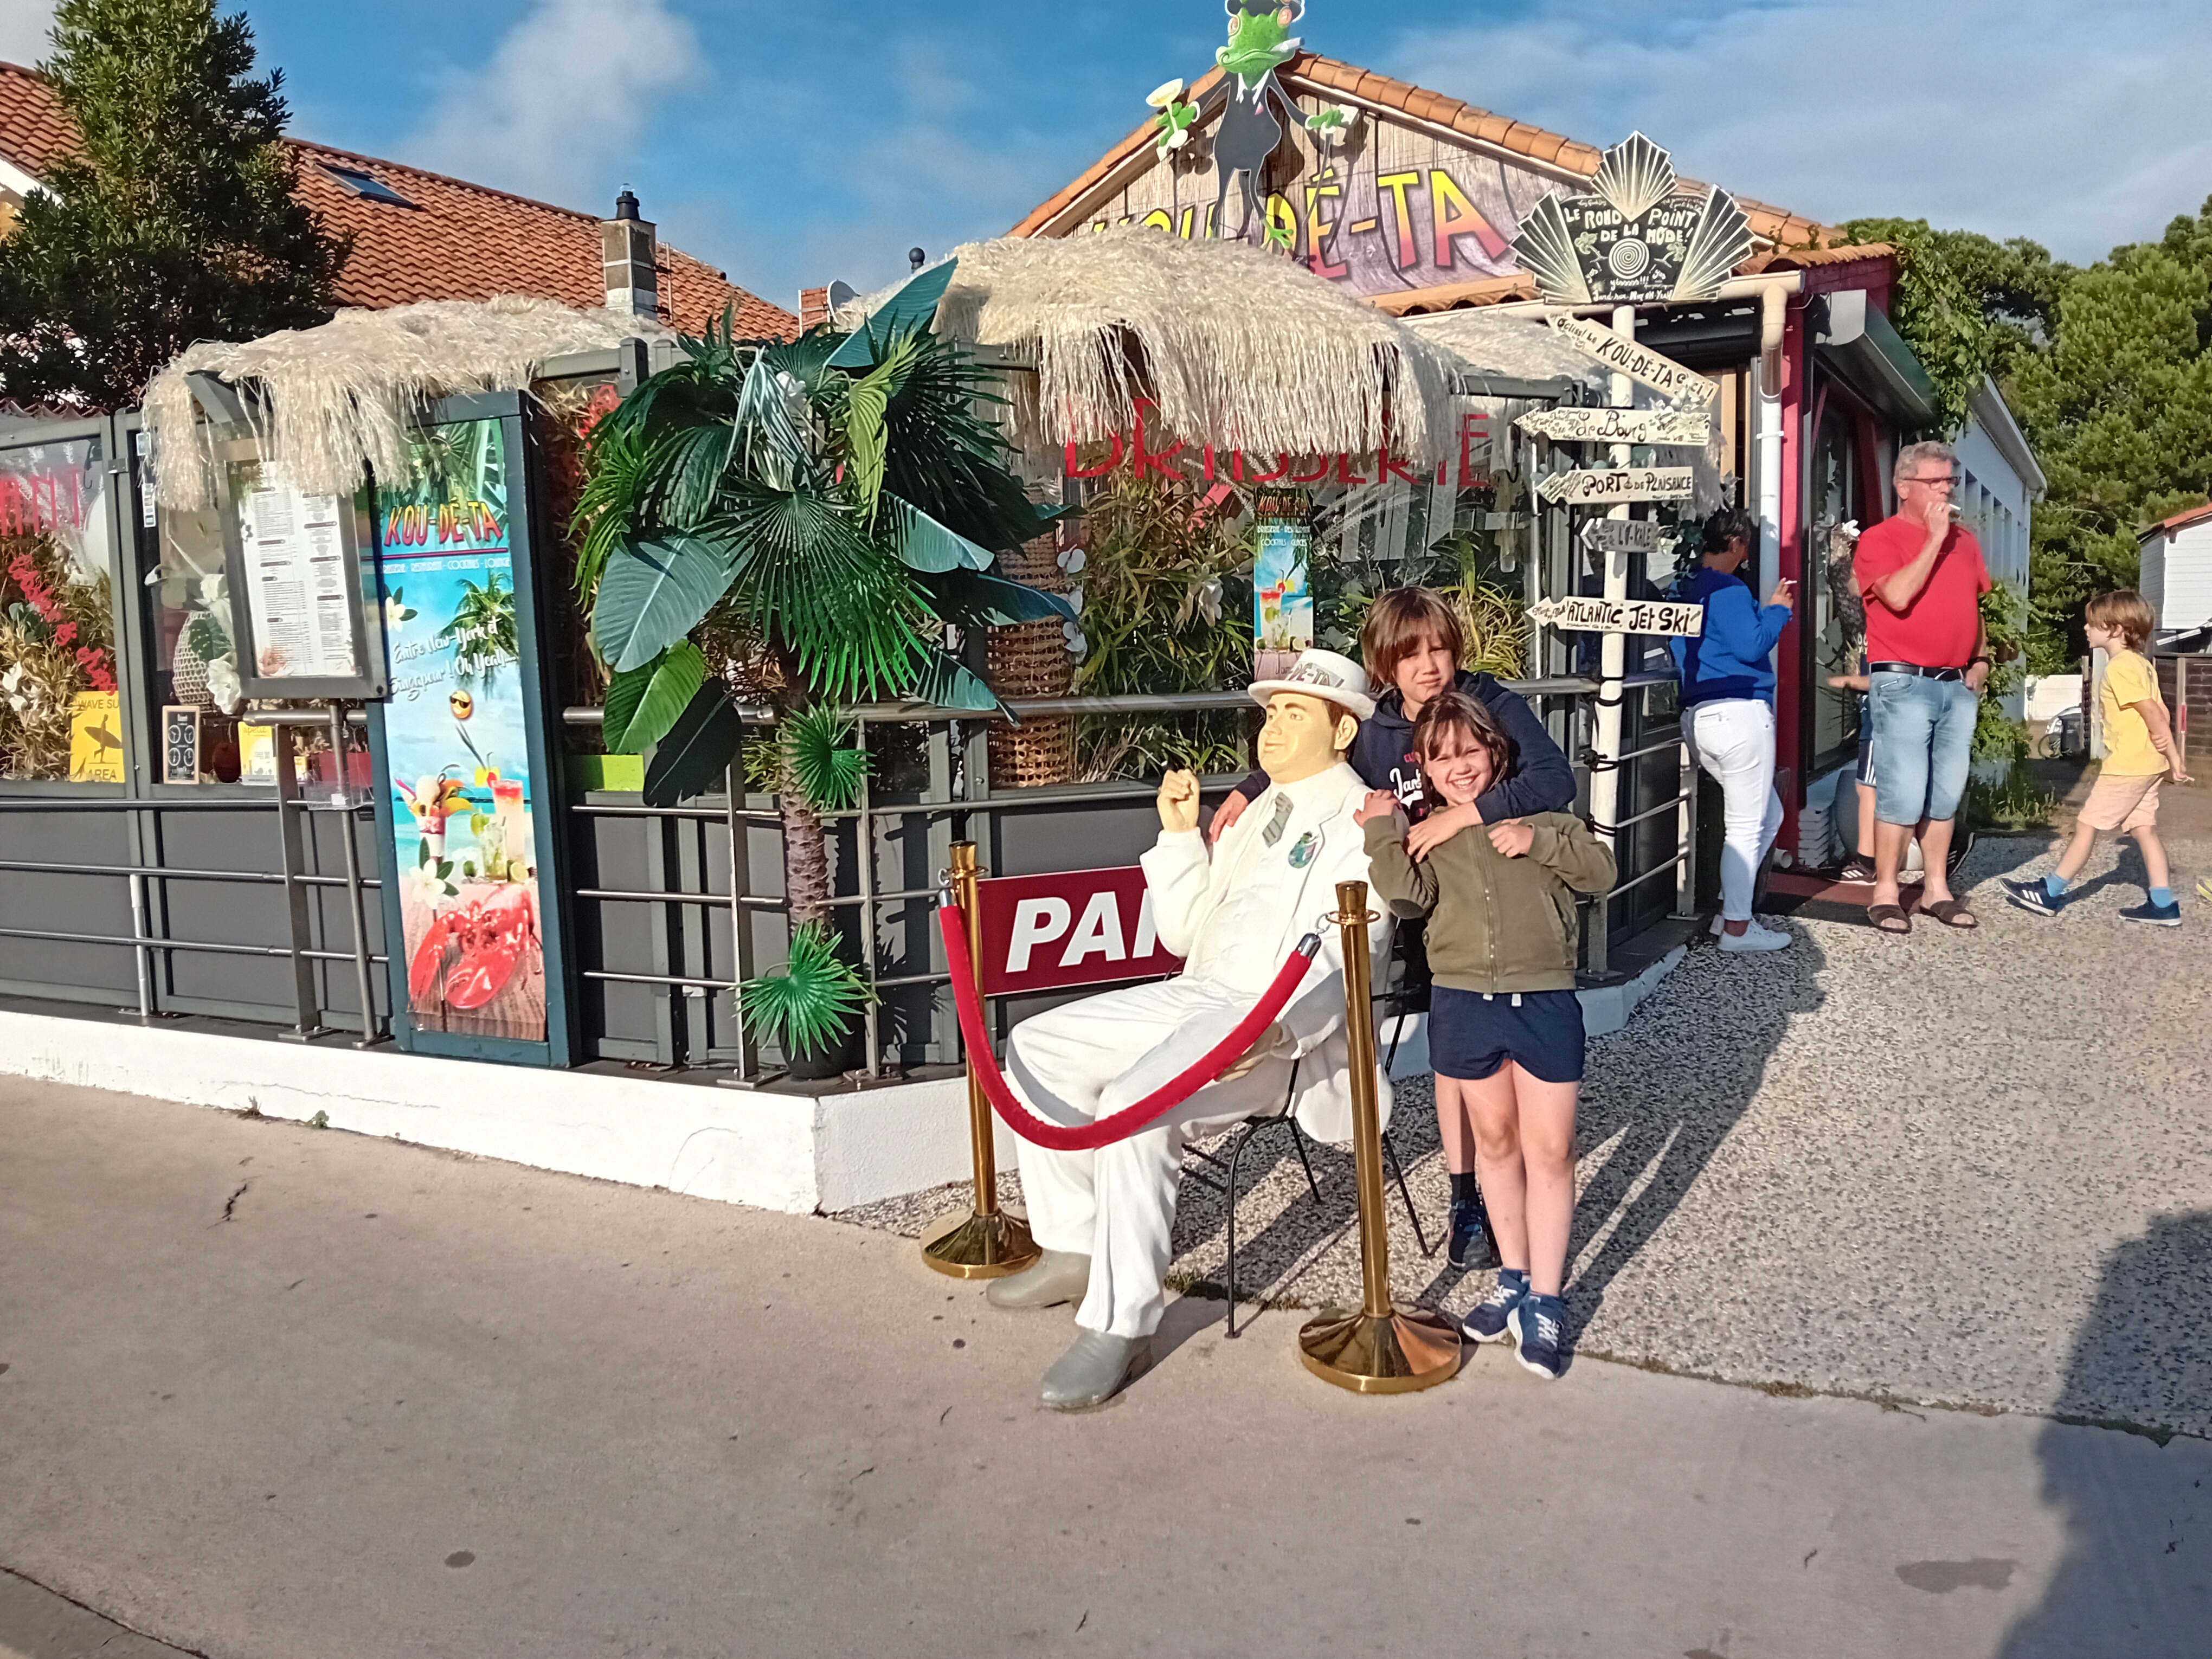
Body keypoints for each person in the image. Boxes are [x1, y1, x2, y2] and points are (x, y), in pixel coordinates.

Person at [985, 648, 1391, 1410]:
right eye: (1271, 712)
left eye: (1296, 713)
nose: (1273, 728)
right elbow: (1182, 933)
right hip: (1198, 996)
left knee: (1133, 1103)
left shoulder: (1361, 821)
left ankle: (1120, 1323)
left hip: (1273, 1036)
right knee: (1037, 1048)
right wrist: (1178, 838)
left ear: (1343, 733)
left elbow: (1351, 956)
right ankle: (1074, 1243)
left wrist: (1273, 1031)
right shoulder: (1253, 811)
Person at [1213, 588, 1577, 1270]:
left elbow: (1555, 780)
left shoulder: (1489, 704)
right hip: (1418, 915)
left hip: (1492, 920)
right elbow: (1314, 765)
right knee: (1452, 1059)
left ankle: (1511, 1189)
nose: (1429, 666)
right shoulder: (1375, 730)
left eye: (1439, 649)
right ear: (1386, 663)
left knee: (1502, 1074)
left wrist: (1460, 816)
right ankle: (1466, 1194)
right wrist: (1249, 787)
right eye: (1410, 655)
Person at [1358, 690, 1615, 1380]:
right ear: (1425, 768)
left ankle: (1548, 1299)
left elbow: (1601, 873)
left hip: (1543, 1002)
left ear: (1495, 751)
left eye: (1471, 751)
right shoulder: (1429, 834)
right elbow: (1407, 897)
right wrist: (1382, 832)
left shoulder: (1543, 815)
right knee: (1495, 1145)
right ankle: (1513, 1278)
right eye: (1443, 759)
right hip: (1464, 1004)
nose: (1460, 767)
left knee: (1552, 1150)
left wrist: (1540, 842)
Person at [1853, 441, 1993, 935]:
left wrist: (1981, 658)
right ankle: (1886, 893)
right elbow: (1896, 595)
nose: (1946, 490)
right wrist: (1934, 540)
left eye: (1950, 481)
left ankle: (1936, 889)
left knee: (1946, 792)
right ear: (1904, 486)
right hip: (1903, 681)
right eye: (1935, 482)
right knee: (1903, 791)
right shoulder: (1880, 539)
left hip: (1956, 684)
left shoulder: (1966, 542)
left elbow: (1972, 606)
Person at [2001, 591, 2192, 926]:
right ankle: (2164, 905)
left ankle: (2050, 893)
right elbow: (2163, 711)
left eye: (2093, 623)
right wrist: (2170, 758)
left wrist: (2176, 758)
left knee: (2087, 825)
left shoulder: (2120, 667)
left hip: (2128, 766)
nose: (2086, 629)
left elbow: (2152, 714)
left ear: (2116, 629)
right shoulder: (2143, 664)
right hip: (2149, 764)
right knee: (2144, 829)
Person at [1671, 506, 1796, 950]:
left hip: (1699, 717)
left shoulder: (1685, 588)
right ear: (1739, 544)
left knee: (1768, 815)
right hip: (1740, 714)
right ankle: (1738, 928)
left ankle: (1730, 913)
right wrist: (1778, 612)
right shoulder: (1729, 588)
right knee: (1745, 826)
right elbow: (1751, 646)